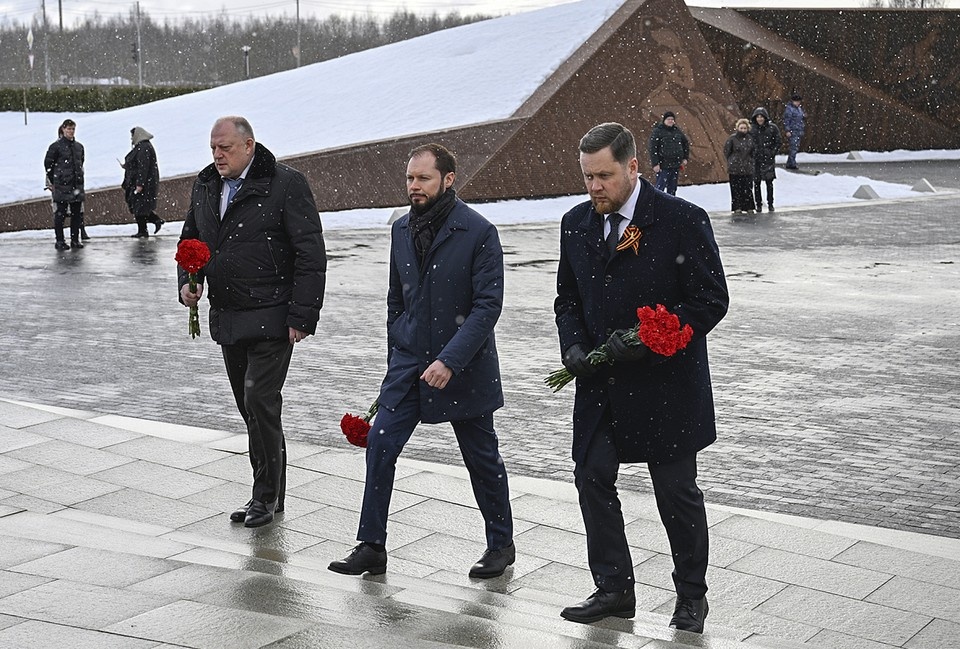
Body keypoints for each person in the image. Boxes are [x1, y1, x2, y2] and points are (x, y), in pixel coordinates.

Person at [554, 123, 728, 633]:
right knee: (592, 477)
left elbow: (709, 300)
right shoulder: (574, 223)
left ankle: (691, 596)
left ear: (634, 167)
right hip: (600, 387)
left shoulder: (680, 220)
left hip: (666, 387)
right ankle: (613, 589)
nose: (594, 188)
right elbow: (567, 298)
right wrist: (574, 348)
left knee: (675, 494)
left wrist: (651, 339)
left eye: (604, 176)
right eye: (587, 177)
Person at [328, 143, 515, 580]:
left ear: (448, 179)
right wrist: (399, 345)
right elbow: (398, 298)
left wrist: (450, 359)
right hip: (409, 366)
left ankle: (501, 545)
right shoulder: (399, 229)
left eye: (423, 178)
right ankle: (371, 546)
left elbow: (488, 306)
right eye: (410, 178)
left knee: (482, 457)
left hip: (463, 369)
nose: (414, 186)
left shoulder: (479, 231)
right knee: (381, 446)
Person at [178, 116, 327, 528]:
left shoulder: (285, 183)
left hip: (273, 316)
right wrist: (188, 283)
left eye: (225, 148)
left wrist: (302, 315)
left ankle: (263, 497)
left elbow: (310, 253)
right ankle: (272, 491)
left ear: (249, 145)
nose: (217, 155)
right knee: (252, 409)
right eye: (212, 148)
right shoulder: (206, 184)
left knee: (259, 401)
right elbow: (191, 240)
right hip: (229, 315)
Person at [44, 119, 86, 250]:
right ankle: (60, 240)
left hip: (76, 185)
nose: (71, 131)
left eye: (73, 129)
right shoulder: (56, 146)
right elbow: (48, 165)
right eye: (68, 129)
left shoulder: (79, 147)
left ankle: (75, 240)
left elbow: (81, 162)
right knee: (60, 214)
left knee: (76, 214)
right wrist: (56, 180)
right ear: (63, 129)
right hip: (62, 186)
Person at [122, 126, 164, 238]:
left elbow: (143, 167)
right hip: (144, 183)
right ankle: (152, 223)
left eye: (132, 136)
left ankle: (145, 229)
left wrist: (140, 184)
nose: (131, 139)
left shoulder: (143, 147)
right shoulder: (143, 147)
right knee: (141, 207)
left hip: (142, 184)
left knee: (139, 207)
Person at [647, 111, 689, 196]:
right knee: (660, 188)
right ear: (664, 120)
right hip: (663, 166)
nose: (670, 121)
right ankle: (657, 205)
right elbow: (653, 148)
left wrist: (685, 158)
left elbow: (685, 143)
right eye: (668, 119)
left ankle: (671, 206)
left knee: (672, 189)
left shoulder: (677, 131)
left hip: (675, 165)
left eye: (672, 119)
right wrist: (655, 163)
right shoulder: (658, 131)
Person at [750, 107, 781, 212]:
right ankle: (758, 204)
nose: (760, 119)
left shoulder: (772, 128)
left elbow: (778, 141)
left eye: (761, 117)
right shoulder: (752, 129)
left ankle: (770, 203)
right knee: (756, 183)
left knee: (769, 182)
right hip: (756, 159)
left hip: (768, 159)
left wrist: (772, 152)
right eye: (758, 117)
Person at [723, 118, 756, 216]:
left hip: (747, 168)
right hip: (735, 168)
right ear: (737, 128)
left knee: (748, 188)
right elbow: (727, 151)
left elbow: (753, 151)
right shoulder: (732, 139)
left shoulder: (750, 138)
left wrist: (750, 161)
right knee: (735, 188)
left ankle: (749, 206)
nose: (743, 130)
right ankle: (737, 207)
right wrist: (732, 161)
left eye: (745, 128)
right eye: (741, 128)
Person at [783, 93, 806, 170]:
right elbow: (787, 120)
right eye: (796, 101)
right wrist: (787, 130)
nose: (798, 103)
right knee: (793, 147)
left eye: (799, 101)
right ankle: (791, 163)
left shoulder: (799, 108)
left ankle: (790, 162)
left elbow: (800, 118)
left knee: (795, 147)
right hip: (793, 130)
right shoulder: (789, 109)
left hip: (798, 130)